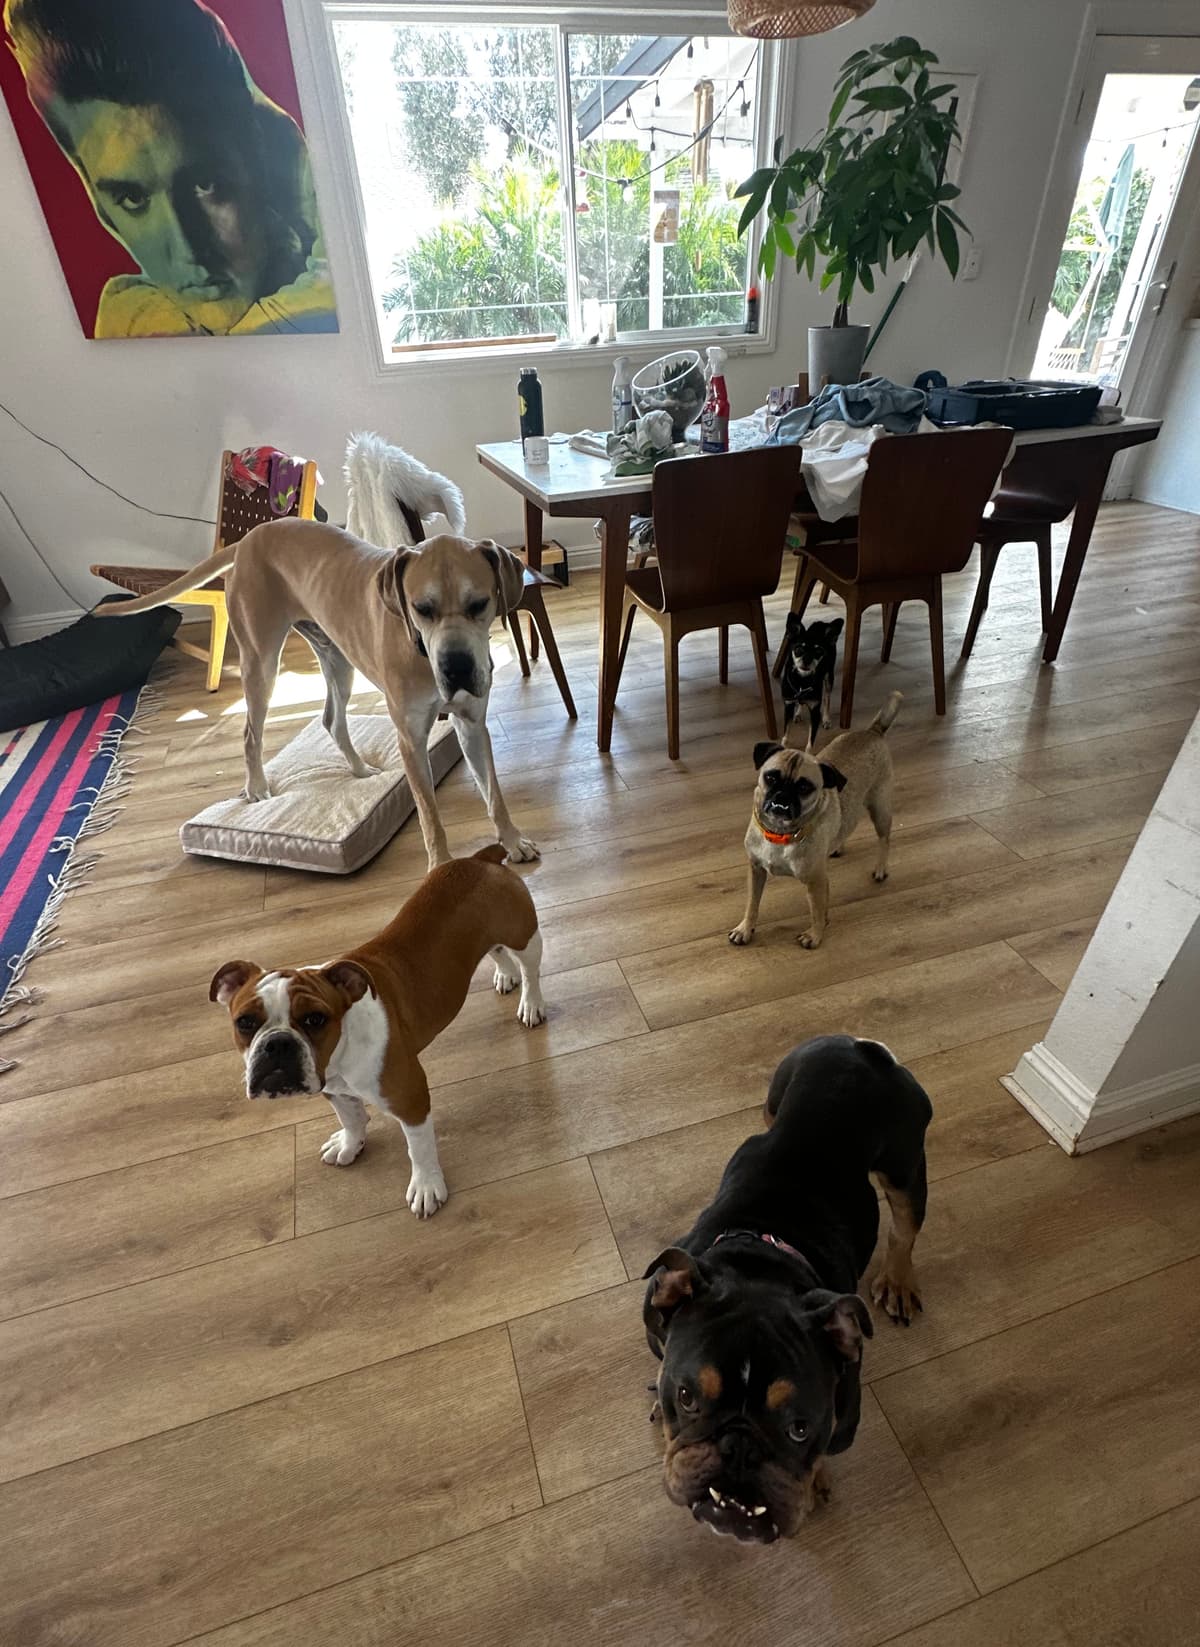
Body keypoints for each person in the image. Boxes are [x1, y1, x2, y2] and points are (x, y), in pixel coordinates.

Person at [5, 0, 337, 336]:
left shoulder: (329, 300)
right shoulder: (131, 323)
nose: (188, 250)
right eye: (132, 199)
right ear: (97, 203)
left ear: (260, 145)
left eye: (207, 184)